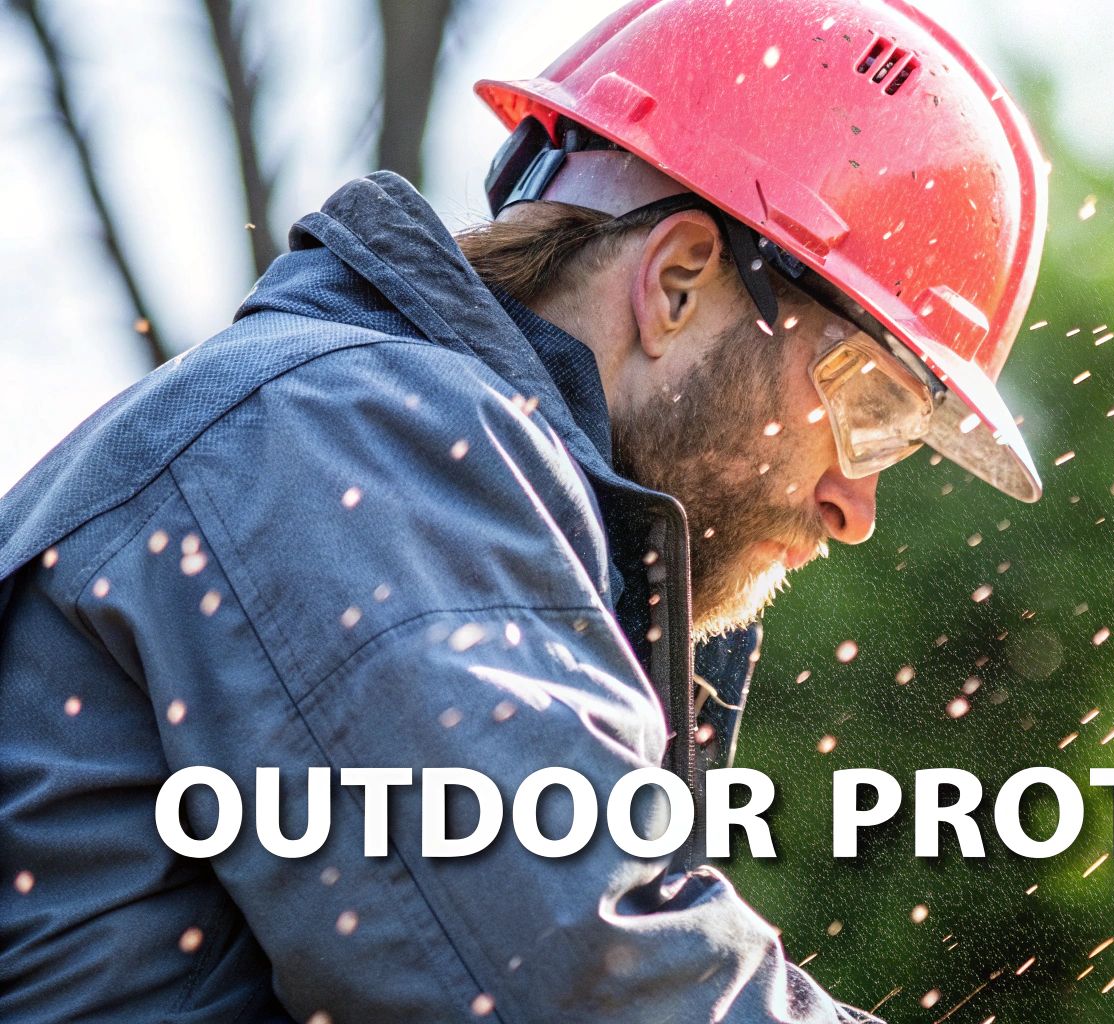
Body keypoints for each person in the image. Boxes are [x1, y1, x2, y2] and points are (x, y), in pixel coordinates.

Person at [0, 0, 1047, 1020]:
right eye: (867, 408)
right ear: (677, 282)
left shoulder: (386, 455)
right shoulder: (345, 435)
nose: (855, 506)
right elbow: (586, 975)